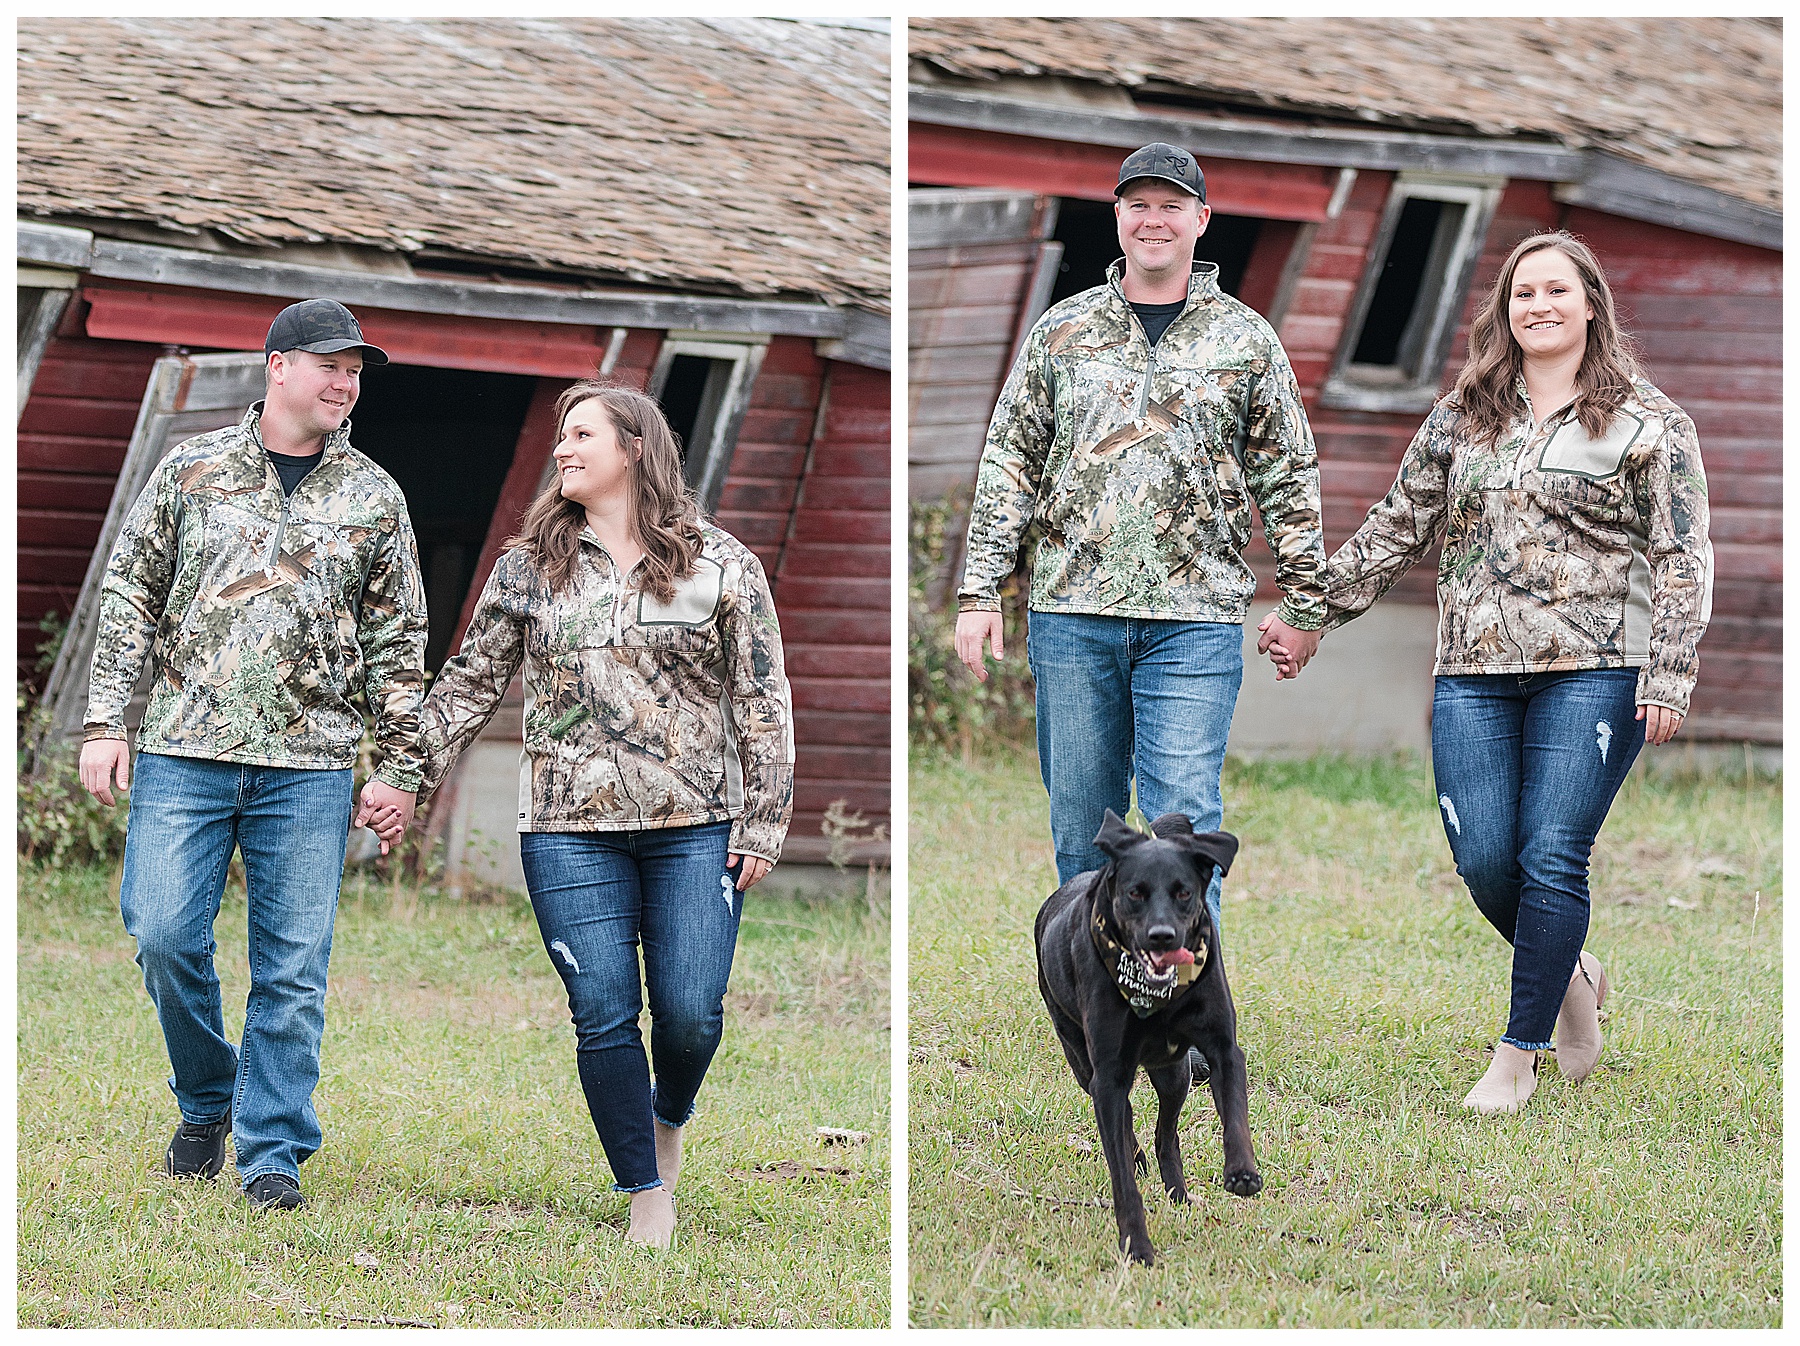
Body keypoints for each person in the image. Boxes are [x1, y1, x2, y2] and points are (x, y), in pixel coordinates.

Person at [1273, 231, 1712, 1114]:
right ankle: (1573, 975)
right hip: (1472, 668)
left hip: (1595, 666)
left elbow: (1682, 556)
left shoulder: (1650, 425)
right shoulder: (1463, 415)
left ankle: (1519, 1053)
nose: (1538, 306)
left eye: (1557, 290)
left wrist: (1669, 671)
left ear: (1592, 303)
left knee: (1553, 853)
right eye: (1522, 293)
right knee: (1484, 861)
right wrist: (1312, 612)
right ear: (1504, 313)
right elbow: (1400, 523)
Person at [382, 379, 793, 1249]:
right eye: (561, 437)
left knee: (689, 1013)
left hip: (696, 824)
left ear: (635, 448)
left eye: (581, 435)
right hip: (567, 826)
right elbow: (469, 683)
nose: (563, 449)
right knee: (603, 1008)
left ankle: (668, 1115)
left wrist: (764, 821)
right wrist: (402, 775)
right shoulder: (528, 567)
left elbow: (763, 699)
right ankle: (646, 1189)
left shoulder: (722, 566)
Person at [78, 298, 427, 1209]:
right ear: (277, 366)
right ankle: (208, 1093)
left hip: (309, 764)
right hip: (184, 749)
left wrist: (397, 765)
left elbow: (398, 640)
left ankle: (271, 1151)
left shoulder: (374, 497)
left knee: (293, 969)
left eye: (355, 372)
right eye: (330, 366)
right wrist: (105, 721)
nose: (345, 384)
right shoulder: (191, 468)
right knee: (160, 933)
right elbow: (130, 596)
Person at [954, 141, 1327, 946]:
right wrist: (980, 591)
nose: (1153, 220)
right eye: (1138, 205)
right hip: (1072, 616)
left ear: (1201, 219)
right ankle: (1100, 992)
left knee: (1184, 826)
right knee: (1085, 832)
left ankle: (1191, 1007)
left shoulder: (1246, 340)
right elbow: (1010, 461)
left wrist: (1305, 605)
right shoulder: (1063, 331)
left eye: (1170, 205)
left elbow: (1289, 475)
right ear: (1117, 218)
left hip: (1194, 622)